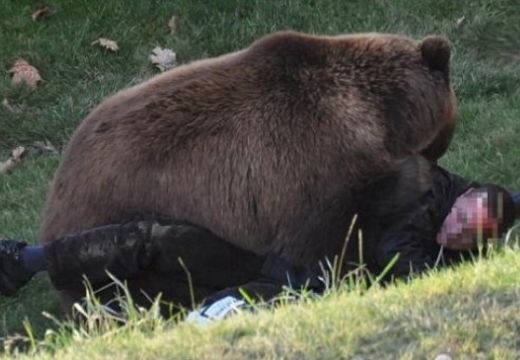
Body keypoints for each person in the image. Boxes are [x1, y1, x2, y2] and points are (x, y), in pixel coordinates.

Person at [0, 157, 518, 323]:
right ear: (467, 196)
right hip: (266, 250)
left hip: (300, 291)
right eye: (462, 219)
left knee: (219, 314)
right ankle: (25, 261)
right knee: (156, 238)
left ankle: (125, 326)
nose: (456, 233)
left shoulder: (448, 271)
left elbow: (396, 270)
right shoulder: (423, 184)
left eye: (469, 238)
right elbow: (394, 255)